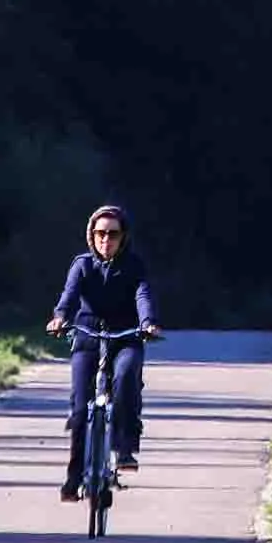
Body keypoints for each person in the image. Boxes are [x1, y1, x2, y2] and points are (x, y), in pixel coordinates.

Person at [46, 203, 161, 499]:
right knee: (80, 406)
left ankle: (124, 448)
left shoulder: (134, 266)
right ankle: (73, 477)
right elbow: (69, 296)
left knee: (125, 376)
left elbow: (143, 295)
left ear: (124, 237)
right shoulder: (82, 265)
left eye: (113, 234)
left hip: (126, 335)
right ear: (91, 235)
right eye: (100, 233)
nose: (105, 240)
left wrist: (147, 322)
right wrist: (60, 318)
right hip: (87, 335)